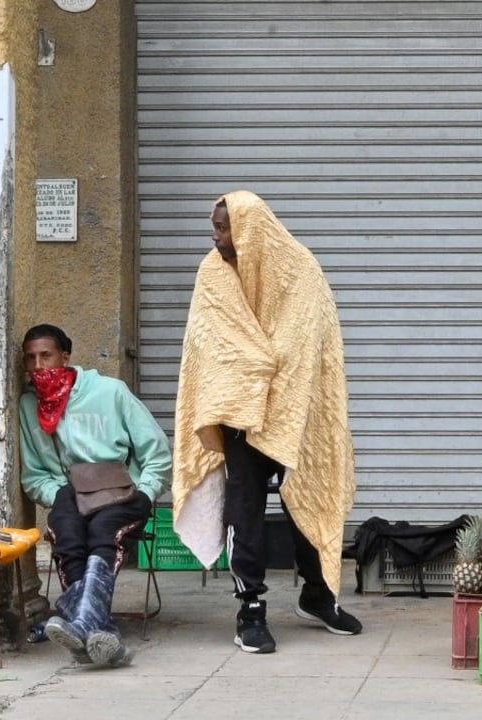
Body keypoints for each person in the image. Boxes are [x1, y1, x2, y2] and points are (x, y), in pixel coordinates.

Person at [171, 190, 361, 655]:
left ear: (250, 230)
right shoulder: (212, 273)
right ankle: (250, 609)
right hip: (240, 415)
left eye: (224, 228)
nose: (216, 238)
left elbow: (309, 343)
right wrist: (256, 370)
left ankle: (318, 595)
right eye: (215, 228)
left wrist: (264, 370)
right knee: (244, 510)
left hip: (299, 413)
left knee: (310, 501)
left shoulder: (301, 269)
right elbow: (211, 343)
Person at [17, 324, 172, 668]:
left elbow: (157, 451)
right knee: (67, 534)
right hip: (71, 492)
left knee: (103, 530)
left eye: (46, 355)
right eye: (30, 358)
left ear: (65, 357)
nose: (38, 365)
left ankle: (81, 622)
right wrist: (62, 494)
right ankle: (99, 631)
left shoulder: (110, 391)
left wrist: (146, 491)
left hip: (122, 489)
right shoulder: (29, 405)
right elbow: (34, 476)